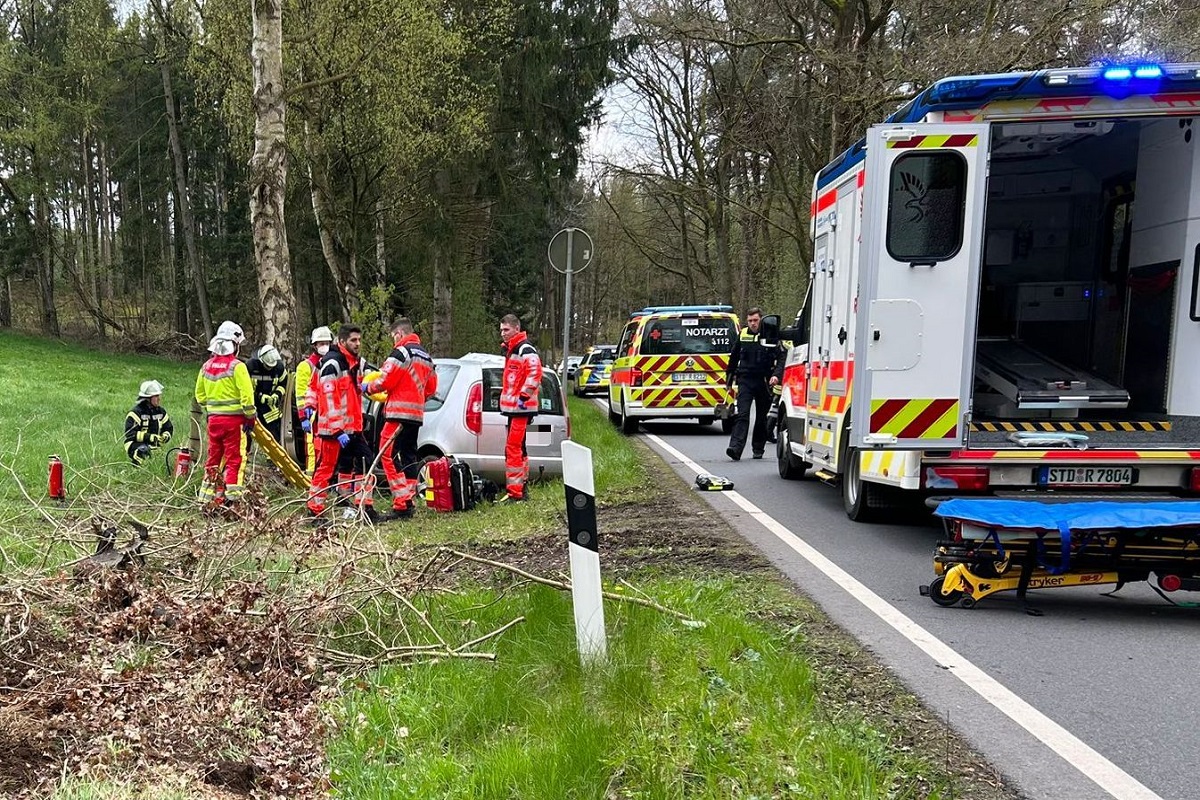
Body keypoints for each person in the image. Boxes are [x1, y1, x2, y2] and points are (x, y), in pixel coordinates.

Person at [361, 318, 437, 520]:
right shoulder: (427, 357)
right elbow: (431, 389)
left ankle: (402, 502)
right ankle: (409, 500)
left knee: (386, 454)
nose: (393, 340)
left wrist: (368, 387)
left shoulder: (401, 353)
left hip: (397, 414)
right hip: (416, 415)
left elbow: (385, 380)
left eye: (393, 336)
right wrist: (416, 397)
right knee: (409, 456)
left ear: (399, 334)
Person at [303, 324, 377, 521]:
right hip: (333, 429)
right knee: (326, 468)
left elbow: (370, 378)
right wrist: (337, 430)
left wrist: (372, 385)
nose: (357, 344)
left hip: (352, 427)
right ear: (342, 341)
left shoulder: (355, 362)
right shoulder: (332, 364)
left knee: (365, 461)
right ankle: (314, 509)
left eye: (359, 340)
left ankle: (363, 506)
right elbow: (329, 400)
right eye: (353, 340)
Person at [194, 321, 256, 506]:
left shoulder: (206, 366)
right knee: (235, 458)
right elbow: (247, 397)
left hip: (213, 421)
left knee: (213, 458)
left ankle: (206, 498)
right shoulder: (237, 366)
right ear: (235, 345)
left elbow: (200, 396)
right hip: (234, 423)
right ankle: (232, 500)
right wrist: (250, 417)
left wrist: (214, 407)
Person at [725, 307, 783, 461]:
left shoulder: (770, 335)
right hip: (745, 380)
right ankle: (735, 448)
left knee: (761, 417)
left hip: (764, 380)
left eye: (755, 320)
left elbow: (781, 357)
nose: (753, 323)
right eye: (750, 321)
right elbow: (734, 357)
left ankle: (758, 448)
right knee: (742, 414)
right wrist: (729, 379)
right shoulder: (743, 334)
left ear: (761, 320)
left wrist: (776, 376)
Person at [498, 313, 542, 502]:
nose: (503, 333)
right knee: (519, 448)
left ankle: (516, 493)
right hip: (516, 408)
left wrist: (524, 395)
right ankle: (521, 488)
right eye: (501, 330)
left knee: (513, 448)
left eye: (506, 329)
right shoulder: (513, 350)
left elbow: (535, 371)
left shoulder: (524, 348)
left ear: (517, 328)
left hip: (521, 408)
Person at [294, 326, 333, 475]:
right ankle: (311, 476)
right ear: (314, 345)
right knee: (312, 446)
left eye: (327, 343)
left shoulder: (333, 363)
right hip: (313, 414)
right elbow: (300, 395)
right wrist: (303, 417)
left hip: (330, 413)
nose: (325, 346)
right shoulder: (306, 366)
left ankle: (326, 476)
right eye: (321, 343)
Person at [124, 380, 174, 465]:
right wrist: (150, 437)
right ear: (148, 398)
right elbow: (130, 434)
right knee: (143, 451)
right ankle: (137, 468)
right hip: (135, 444)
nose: (159, 398)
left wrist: (165, 436)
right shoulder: (136, 413)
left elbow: (168, 428)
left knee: (159, 461)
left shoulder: (161, 412)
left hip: (154, 446)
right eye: (156, 396)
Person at [248, 345, 287, 445]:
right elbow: (245, 387)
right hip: (251, 403)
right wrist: (259, 397)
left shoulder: (279, 368)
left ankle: (275, 451)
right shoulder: (251, 366)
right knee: (247, 430)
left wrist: (277, 395)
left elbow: (283, 384)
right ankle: (245, 452)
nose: (270, 368)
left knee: (274, 430)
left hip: (270, 403)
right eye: (268, 366)